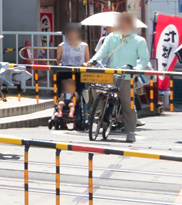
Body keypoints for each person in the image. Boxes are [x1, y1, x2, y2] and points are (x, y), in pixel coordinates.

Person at [90, 11, 150, 142]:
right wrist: (92, 61)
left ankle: (130, 131)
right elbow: (101, 52)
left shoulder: (139, 41)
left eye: (123, 23)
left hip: (126, 76)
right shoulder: (111, 37)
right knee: (97, 89)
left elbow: (144, 59)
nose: (119, 26)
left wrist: (137, 69)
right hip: (109, 73)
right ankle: (100, 113)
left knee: (128, 104)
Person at [54, 25, 88, 128]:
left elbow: (88, 60)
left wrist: (85, 64)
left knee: (79, 91)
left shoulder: (84, 46)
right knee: (61, 89)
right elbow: (58, 59)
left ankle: (78, 114)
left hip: (79, 73)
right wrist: (59, 64)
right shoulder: (61, 46)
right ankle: (60, 111)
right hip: (65, 72)